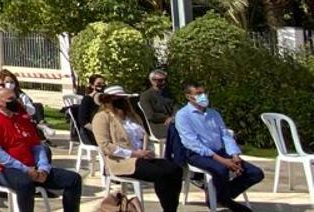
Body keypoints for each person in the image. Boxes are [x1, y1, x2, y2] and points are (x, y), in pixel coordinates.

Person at [0, 88, 83, 212]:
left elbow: (37, 147)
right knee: (25, 183)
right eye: (11, 99)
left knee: (73, 179)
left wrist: (44, 168)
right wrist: (25, 169)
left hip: (33, 168)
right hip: (5, 170)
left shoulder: (23, 120)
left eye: (16, 98)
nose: (16, 102)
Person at [175, 83, 263, 212]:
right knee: (221, 169)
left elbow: (225, 135)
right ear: (189, 96)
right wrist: (223, 161)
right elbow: (192, 143)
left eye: (204, 93)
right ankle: (222, 198)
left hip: (220, 151)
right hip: (197, 154)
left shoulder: (213, 113)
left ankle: (220, 196)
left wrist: (234, 155)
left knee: (255, 173)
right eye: (198, 94)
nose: (203, 96)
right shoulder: (183, 115)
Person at [92, 86, 182, 212]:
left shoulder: (132, 116)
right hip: (122, 161)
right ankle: (169, 209)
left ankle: (171, 208)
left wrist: (149, 151)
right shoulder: (101, 117)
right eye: (119, 99)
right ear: (109, 101)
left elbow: (146, 136)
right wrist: (134, 154)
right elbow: (105, 145)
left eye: (124, 99)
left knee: (175, 169)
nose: (123, 102)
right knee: (161, 174)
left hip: (143, 157)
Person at [138, 69, 175, 140]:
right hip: (159, 126)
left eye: (165, 80)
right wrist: (166, 118)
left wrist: (174, 117)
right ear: (152, 81)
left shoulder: (168, 93)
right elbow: (151, 115)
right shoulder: (146, 96)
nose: (164, 82)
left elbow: (175, 106)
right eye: (160, 80)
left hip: (172, 122)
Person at [76, 74, 107, 141]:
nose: (101, 86)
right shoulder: (87, 99)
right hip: (89, 133)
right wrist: (98, 132)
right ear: (92, 85)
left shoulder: (105, 100)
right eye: (98, 83)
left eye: (103, 84)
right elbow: (83, 121)